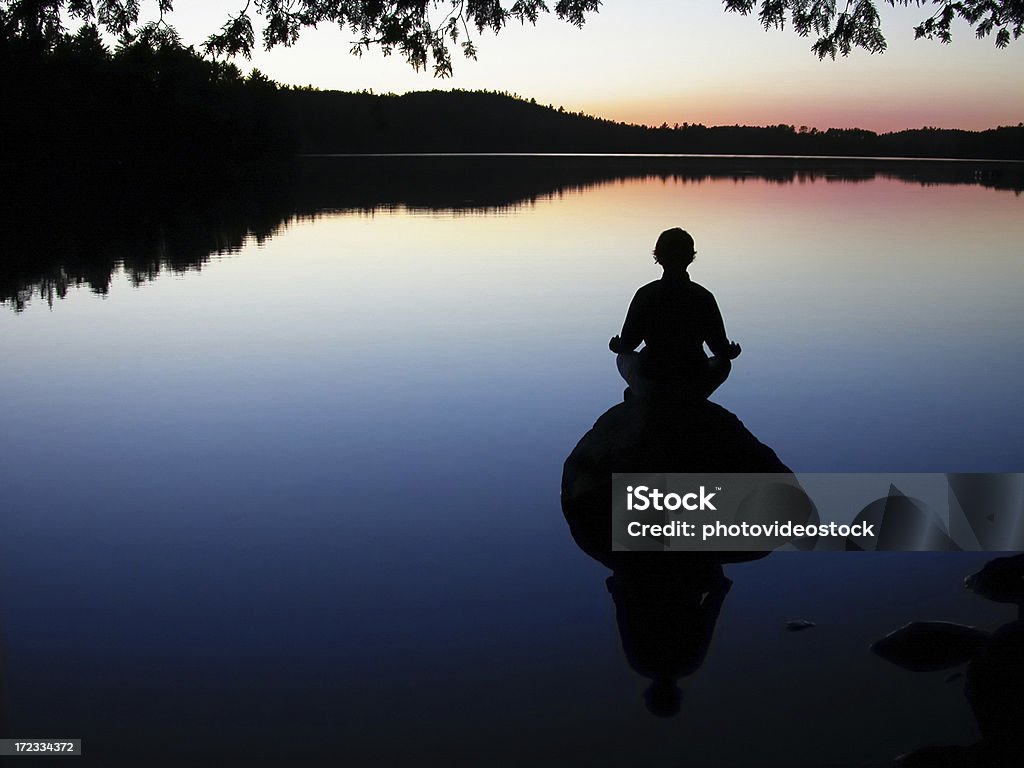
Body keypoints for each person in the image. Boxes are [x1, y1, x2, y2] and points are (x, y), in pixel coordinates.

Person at [609, 228, 741, 401]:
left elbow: (628, 344)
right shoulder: (703, 296)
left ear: (658, 257)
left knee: (623, 358)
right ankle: (689, 400)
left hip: (654, 380)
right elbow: (720, 349)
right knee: (723, 364)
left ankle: (643, 395)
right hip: (693, 379)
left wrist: (616, 346)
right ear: (690, 257)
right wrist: (732, 351)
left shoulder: (646, 294)